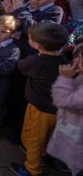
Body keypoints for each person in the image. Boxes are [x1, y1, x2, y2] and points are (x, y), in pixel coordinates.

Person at [10, 23, 69, 176]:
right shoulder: (64, 60)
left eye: (30, 38)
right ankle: (44, 155)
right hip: (58, 111)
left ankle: (32, 169)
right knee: (47, 136)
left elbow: (20, 66)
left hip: (39, 109)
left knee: (32, 139)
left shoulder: (36, 61)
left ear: (38, 45)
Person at [47, 43, 83, 176]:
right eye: (77, 56)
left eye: (81, 58)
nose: (76, 60)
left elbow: (63, 101)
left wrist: (65, 78)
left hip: (77, 140)